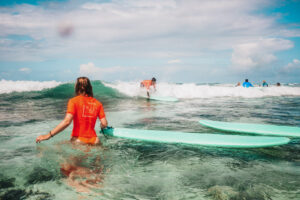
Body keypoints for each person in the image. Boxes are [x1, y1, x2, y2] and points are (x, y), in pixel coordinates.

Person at [36, 77, 108, 145]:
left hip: (79, 140)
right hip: (95, 140)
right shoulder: (98, 103)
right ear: (90, 88)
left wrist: (48, 135)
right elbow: (104, 123)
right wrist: (102, 126)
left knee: (58, 148)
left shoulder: (73, 101)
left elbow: (67, 121)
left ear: (77, 88)